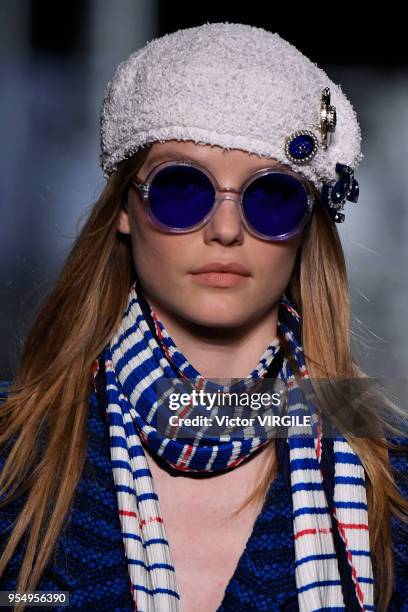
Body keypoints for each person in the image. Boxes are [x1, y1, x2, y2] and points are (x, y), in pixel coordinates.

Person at [0, 21, 407, 612]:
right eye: (182, 188)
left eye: (271, 197)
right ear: (124, 209)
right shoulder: (12, 453)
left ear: (304, 227)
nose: (224, 230)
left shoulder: (392, 483)